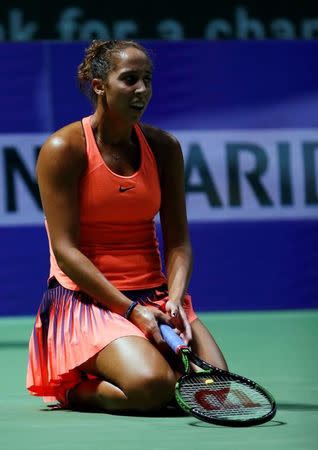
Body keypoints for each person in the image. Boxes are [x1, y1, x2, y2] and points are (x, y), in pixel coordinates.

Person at [26, 39, 228, 413]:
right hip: (86, 300)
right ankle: (72, 388)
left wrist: (175, 299)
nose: (142, 91)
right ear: (100, 85)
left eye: (147, 80)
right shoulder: (63, 149)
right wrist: (131, 311)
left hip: (153, 293)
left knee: (213, 392)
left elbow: (179, 241)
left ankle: (137, 359)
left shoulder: (164, 147)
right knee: (152, 386)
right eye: (129, 80)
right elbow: (66, 251)